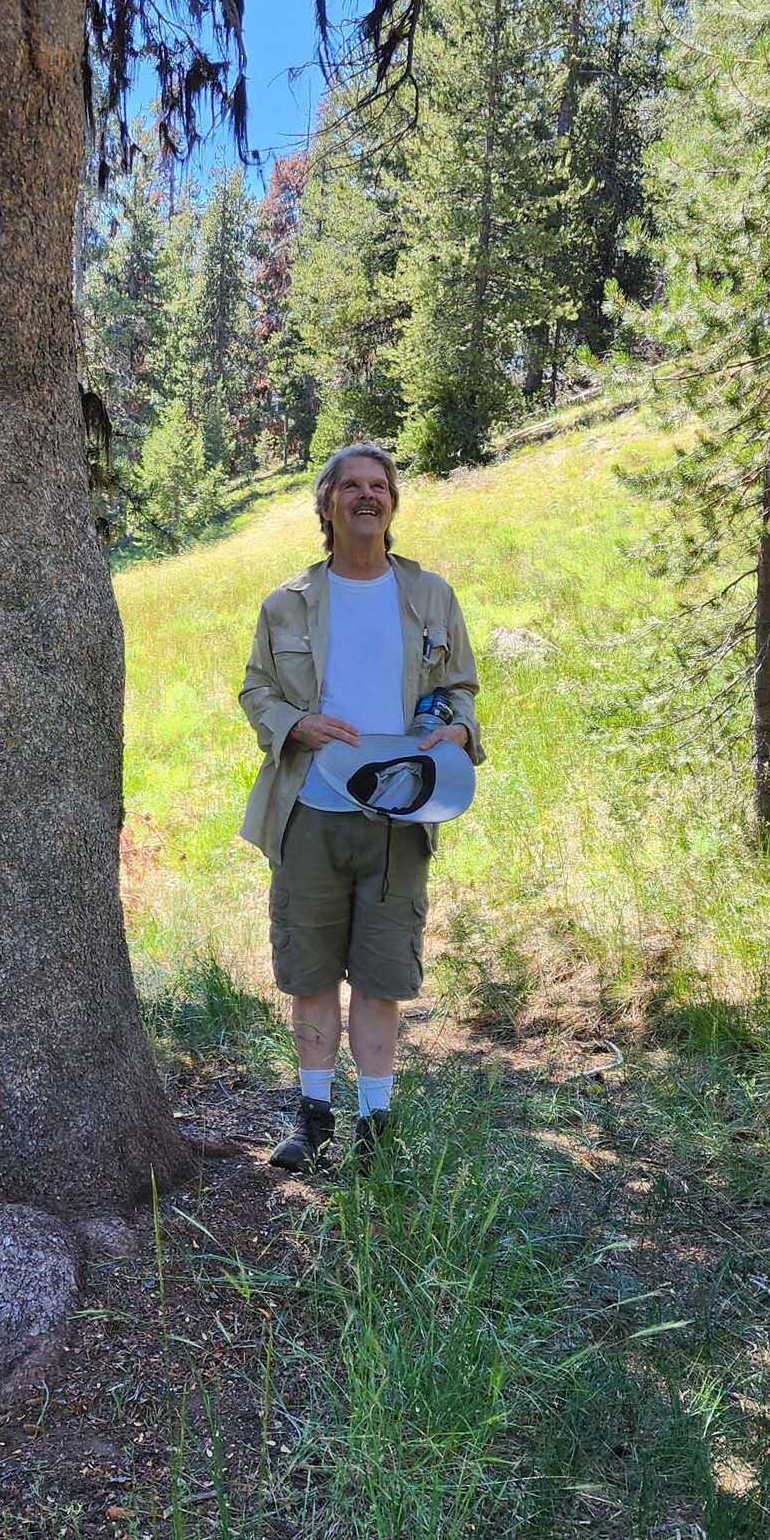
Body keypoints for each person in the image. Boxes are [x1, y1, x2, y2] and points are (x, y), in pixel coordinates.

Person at [238, 442, 484, 1171]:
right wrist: (296, 725)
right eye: (352, 487)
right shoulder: (288, 601)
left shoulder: (430, 595)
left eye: (380, 486)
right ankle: (313, 1125)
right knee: (311, 975)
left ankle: (376, 1134)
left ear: (392, 503)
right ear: (327, 504)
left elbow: (463, 686)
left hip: (401, 816)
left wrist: (461, 730)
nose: (367, 496)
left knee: (381, 979)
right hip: (309, 811)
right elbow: (257, 690)